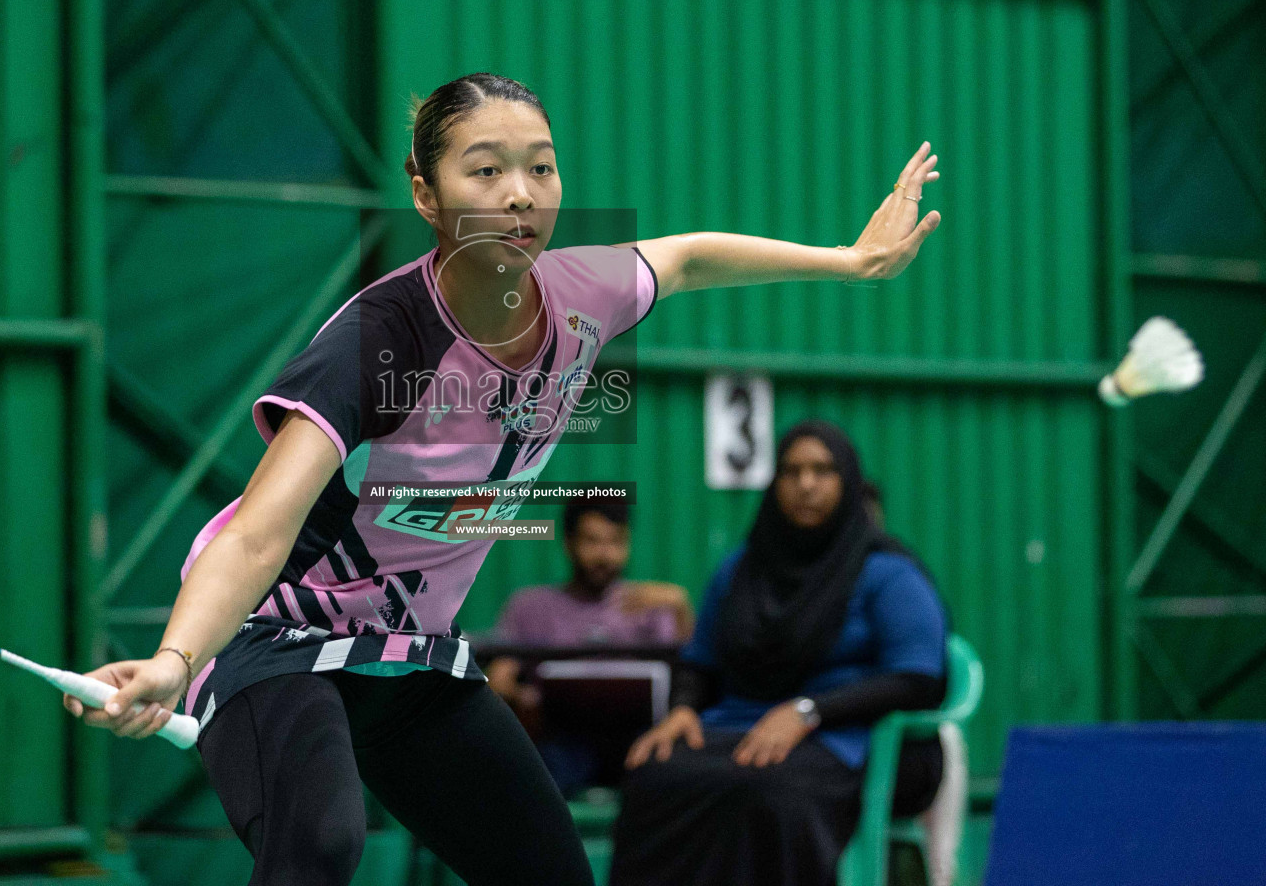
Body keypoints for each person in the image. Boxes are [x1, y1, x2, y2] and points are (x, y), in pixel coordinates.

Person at [62, 73, 942, 886]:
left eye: (542, 169)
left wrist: (848, 260)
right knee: (319, 844)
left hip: (406, 653)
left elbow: (687, 258)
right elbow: (258, 531)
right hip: (272, 634)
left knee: (550, 872)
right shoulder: (380, 339)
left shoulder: (581, 293)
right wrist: (179, 659)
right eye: (484, 171)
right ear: (427, 196)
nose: (521, 194)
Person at [610, 421, 949, 886]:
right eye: (791, 471)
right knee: (655, 774)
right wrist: (682, 710)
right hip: (740, 724)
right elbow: (700, 659)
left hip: (848, 735)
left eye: (822, 470)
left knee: (770, 788)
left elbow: (918, 678)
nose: (805, 484)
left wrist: (809, 711)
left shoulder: (886, 573)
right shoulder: (741, 570)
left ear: (847, 482)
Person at [486, 500, 692, 795]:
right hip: (559, 744)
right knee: (522, 780)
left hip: (637, 740)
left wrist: (681, 607)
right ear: (569, 542)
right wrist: (521, 698)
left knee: (673, 774)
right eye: (592, 541)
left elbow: (690, 674)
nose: (604, 555)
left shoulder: (652, 605)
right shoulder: (530, 607)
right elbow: (499, 681)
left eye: (616, 541)